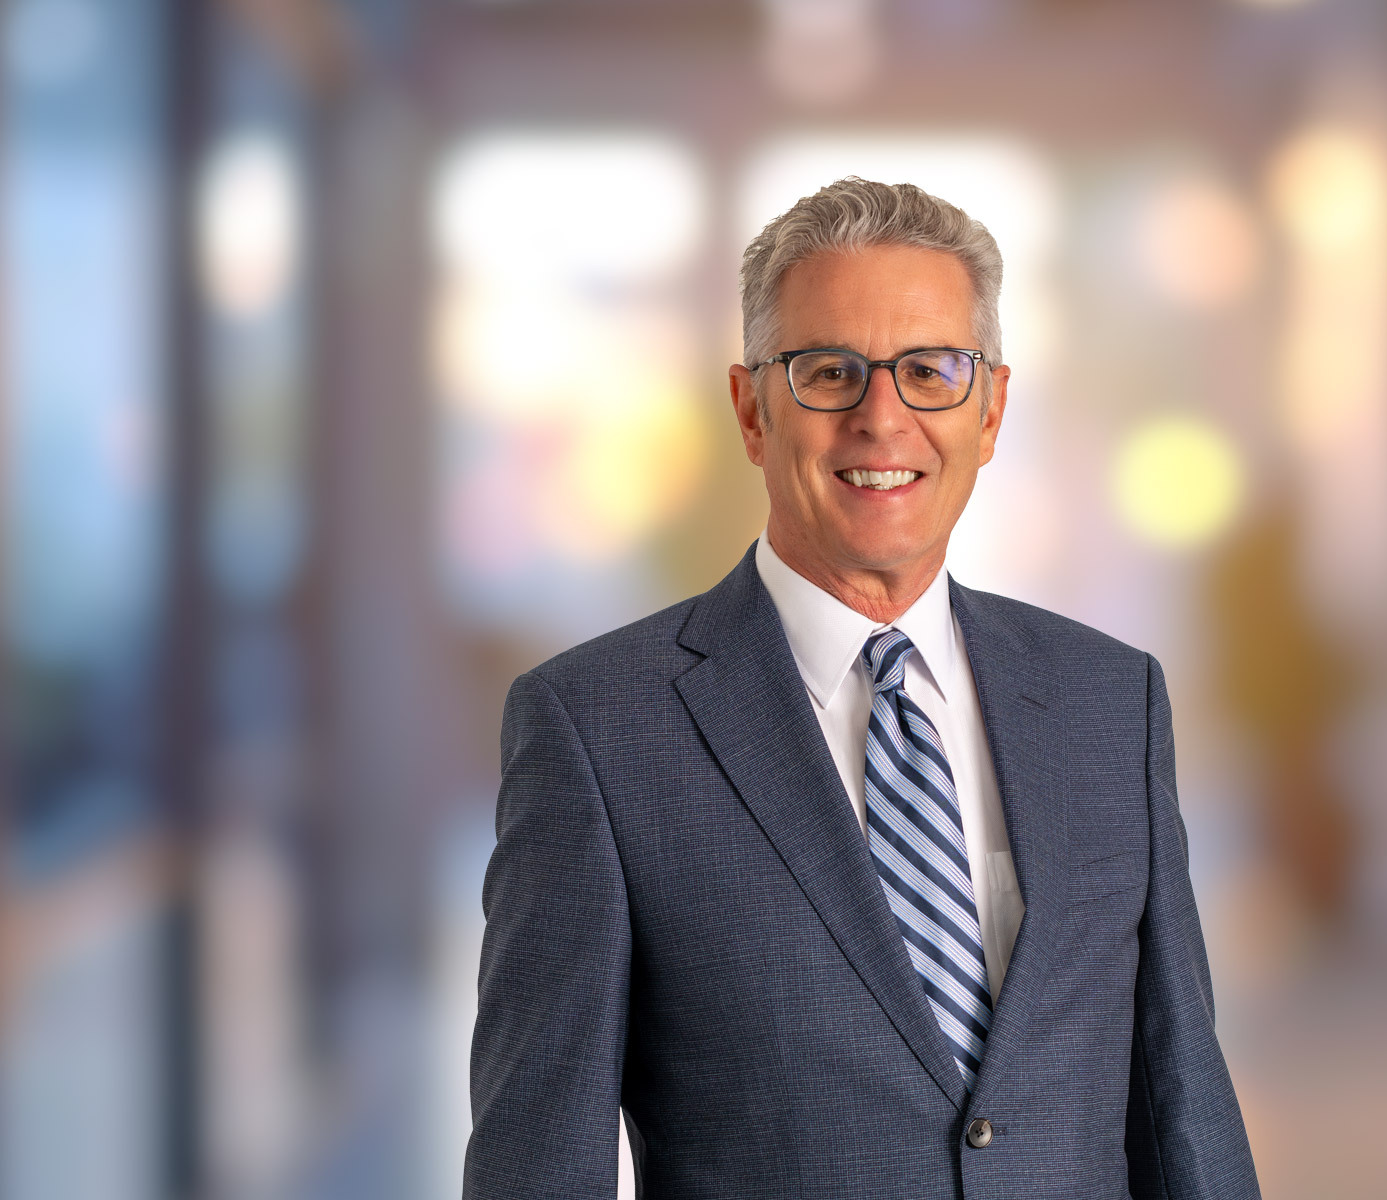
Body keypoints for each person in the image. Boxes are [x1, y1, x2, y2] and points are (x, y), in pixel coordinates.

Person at [465, 178, 1260, 1199]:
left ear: (991, 409)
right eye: (829, 371)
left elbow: (1183, 1114)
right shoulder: (598, 732)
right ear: (753, 409)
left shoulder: (1111, 704)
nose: (882, 418)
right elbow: (539, 1170)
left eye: (930, 370)